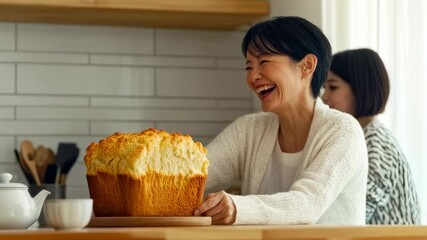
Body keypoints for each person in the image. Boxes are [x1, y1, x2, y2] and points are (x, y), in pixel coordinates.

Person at [193, 16, 368, 225]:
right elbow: (193, 175)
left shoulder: (342, 130)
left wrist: (238, 207)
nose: (253, 77)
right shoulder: (249, 130)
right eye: (249, 67)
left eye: (264, 62)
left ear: (307, 66)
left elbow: (307, 205)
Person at [321, 48, 421, 224]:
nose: (324, 97)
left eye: (333, 87)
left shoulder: (376, 142)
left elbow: (353, 212)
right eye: (324, 88)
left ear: (361, 89)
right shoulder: (359, 137)